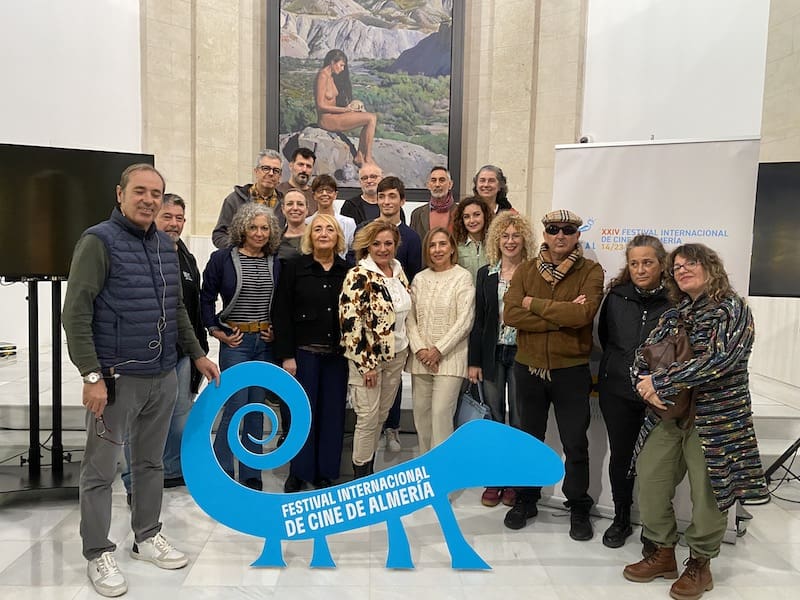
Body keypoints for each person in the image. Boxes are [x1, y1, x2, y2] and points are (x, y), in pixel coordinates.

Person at [62, 164, 220, 598]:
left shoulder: (166, 246)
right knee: (100, 470)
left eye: (156, 193)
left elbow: (177, 309)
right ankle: (97, 552)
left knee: (151, 464)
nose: (149, 200)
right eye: (140, 191)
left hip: (162, 375)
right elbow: (75, 312)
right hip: (115, 379)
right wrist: (91, 375)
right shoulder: (98, 242)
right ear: (120, 193)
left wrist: (197, 353)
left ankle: (146, 535)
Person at [623, 244, 768, 599]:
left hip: (716, 419)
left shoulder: (732, 309)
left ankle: (700, 564)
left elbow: (720, 361)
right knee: (650, 476)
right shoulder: (675, 314)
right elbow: (643, 356)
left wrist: (661, 381)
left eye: (691, 263)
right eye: (677, 267)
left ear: (710, 267)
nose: (682, 270)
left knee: (708, 492)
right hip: (669, 413)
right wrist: (643, 386)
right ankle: (663, 552)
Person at [502, 209, 603, 541]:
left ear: (577, 235)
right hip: (528, 368)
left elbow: (583, 315)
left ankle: (578, 505)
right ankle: (526, 498)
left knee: (575, 442)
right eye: (554, 229)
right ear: (545, 234)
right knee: (528, 440)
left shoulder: (591, 271)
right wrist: (562, 316)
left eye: (568, 230)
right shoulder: (527, 269)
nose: (561, 235)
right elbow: (511, 314)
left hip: (571, 370)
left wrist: (532, 302)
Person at [121, 193, 209, 501]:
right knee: (138, 422)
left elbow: (188, 308)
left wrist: (198, 349)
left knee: (178, 417)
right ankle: (134, 481)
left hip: (181, 352)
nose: (174, 223)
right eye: (167, 217)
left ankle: (171, 470)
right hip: (144, 355)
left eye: (179, 218)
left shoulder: (185, 255)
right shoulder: (138, 251)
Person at [597, 235, 672, 549]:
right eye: (634, 263)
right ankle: (621, 518)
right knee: (621, 458)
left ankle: (653, 528)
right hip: (617, 391)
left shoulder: (675, 300)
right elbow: (605, 337)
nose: (640, 269)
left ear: (661, 264)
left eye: (647, 262)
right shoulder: (616, 296)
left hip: (659, 395)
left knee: (656, 465)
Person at [201, 203, 281, 491]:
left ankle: (251, 473)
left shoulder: (276, 261)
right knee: (236, 405)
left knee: (257, 409)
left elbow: (282, 302)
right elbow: (206, 298)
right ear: (242, 229)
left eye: (264, 228)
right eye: (253, 227)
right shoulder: (222, 259)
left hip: (264, 344)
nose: (259, 233)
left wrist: (276, 330)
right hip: (236, 342)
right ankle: (221, 469)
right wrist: (216, 331)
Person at [273, 214, 349, 492]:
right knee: (302, 415)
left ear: (338, 236)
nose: (324, 233)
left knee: (332, 416)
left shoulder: (348, 270)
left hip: (337, 356)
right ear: (310, 235)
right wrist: (286, 355)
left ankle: (325, 473)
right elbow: (281, 312)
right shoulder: (294, 267)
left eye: (330, 229)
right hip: (303, 355)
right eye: (318, 229)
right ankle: (299, 471)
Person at [468, 212, 535, 508]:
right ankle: (495, 478)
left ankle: (515, 480)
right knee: (494, 418)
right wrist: (474, 361)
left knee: (519, 418)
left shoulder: (533, 273)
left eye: (515, 235)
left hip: (522, 353)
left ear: (524, 239)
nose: (510, 241)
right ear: (497, 240)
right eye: (505, 236)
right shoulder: (486, 273)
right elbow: (480, 320)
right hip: (492, 353)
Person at [340, 219, 411, 478]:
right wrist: (366, 364)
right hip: (369, 360)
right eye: (377, 244)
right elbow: (351, 325)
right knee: (367, 418)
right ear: (367, 246)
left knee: (381, 416)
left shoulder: (398, 271)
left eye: (388, 243)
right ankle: (360, 476)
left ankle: (369, 469)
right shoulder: (358, 275)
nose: (383, 249)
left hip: (396, 355)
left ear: (396, 245)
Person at [406, 227, 475, 454]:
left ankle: (441, 469)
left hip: (450, 359)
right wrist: (420, 350)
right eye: (432, 245)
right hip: (421, 360)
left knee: (441, 416)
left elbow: (465, 320)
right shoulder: (419, 279)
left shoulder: (462, 277)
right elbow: (409, 318)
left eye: (442, 244)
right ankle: (426, 465)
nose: (437, 250)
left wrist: (438, 350)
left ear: (452, 248)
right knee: (422, 418)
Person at [373, 175, 422, 451]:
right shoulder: (366, 230)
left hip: (398, 318)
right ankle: (371, 426)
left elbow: (414, 278)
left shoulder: (412, 238)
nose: (387, 201)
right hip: (369, 318)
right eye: (382, 196)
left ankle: (392, 427)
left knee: (393, 376)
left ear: (402, 200)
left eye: (392, 196)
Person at [315, 48, 378, 166]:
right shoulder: (322, 76)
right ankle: (367, 158)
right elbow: (320, 106)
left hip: (334, 116)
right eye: (341, 65)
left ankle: (360, 155)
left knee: (369, 116)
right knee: (371, 118)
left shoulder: (331, 76)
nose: (343, 68)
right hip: (327, 120)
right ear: (332, 62)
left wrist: (351, 107)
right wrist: (345, 110)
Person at [212, 149, 283, 248]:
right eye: (266, 168)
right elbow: (219, 235)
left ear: (280, 176)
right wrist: (241, 249)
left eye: (276, 171)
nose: (271, 173)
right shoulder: (234, 200)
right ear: (256, 171)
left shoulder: (286, 204)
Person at [307, 174, 356, 260]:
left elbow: (353, 252)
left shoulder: (349, 223)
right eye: (320, 191)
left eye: (329, 191)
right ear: (314, 195)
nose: (324, 194)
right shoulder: (307, 223)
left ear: (335, 194)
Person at [410, 166, 458, 241]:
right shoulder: (417, 215)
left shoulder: (460, 212)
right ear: (428, 185)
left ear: (450, 184)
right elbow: (412, 243)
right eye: (433, 180)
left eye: (442, 180)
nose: (437, 184)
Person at [453, 197, 492, 281]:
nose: (472, 220)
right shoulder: (456, 246)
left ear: (485, 215)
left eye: (477, 215)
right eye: (466, 217)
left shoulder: (495, 244)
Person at [276, 147, 317, 222]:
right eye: (300, 165)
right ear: (291, 166)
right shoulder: (277, 192)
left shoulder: (316, 196)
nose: (304, 170)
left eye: (308, 166)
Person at [277, 189, 309, 263]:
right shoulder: (275, 241)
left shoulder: (317, 236)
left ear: (307, 209)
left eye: (300, 204)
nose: (295, 208)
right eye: (290, 204)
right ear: (283, 209)